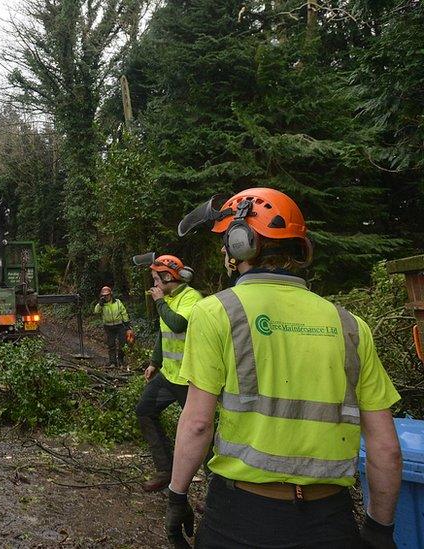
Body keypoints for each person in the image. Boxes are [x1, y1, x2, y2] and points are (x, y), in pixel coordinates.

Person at [166, 188, 402, 548]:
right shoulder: (351, 326)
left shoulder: (217, 313)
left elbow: (198, 423)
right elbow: (386, 448)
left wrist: (177, 496)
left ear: (241, 242)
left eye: (226, 241)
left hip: (242, 518)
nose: (223, 251)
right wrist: (379, 529)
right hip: (331, 521)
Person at [136, 255, 204, 492]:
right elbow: (164, 332)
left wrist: (159, 302)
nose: (154, 284)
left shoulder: (191, 298)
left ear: (167, 277)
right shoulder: (169, 299)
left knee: (199, 429)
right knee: (144, 411)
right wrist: (155, 362)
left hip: (190, 379)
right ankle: (165, 469)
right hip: (169, 374)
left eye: (156, 279)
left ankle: (217, 485)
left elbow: (177, 324)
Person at [94, 286, 131, 369]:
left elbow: (124, 313)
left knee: (123, 343)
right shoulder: (101, 304)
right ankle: (112, 362)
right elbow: (96, 311)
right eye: (104, 295)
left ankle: (120, 359)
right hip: (108, 327)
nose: (106, 297)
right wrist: (100, 304)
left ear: (111, 294)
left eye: (107, 295)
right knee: (111, 345)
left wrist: (127, 325)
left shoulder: (117, 302)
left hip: (120, 325)